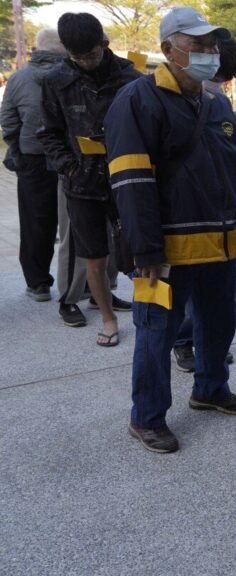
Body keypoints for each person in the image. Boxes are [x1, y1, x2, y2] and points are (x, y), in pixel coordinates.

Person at [105, 6, 236, 453]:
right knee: (156, 336)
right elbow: (131, 182)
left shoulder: (217, 101)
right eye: (197, 46)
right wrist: (145, 250)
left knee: (217, 325)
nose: (208, 54)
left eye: (212, 46)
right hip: (165, 253)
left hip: (220, 245)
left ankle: (210, 389)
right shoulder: (137, 101)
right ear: (168, 49)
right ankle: (147, 417)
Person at [38, 14, 141, 346]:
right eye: (76, 56)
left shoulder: (130, 77)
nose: (84, 62)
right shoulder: (56, 80)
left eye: (90, 54)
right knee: (93, 255)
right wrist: (68, 166)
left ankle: (152, 313)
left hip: (127, 178)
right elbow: (49, 133)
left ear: (104, 44)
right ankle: (108, 318)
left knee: (140, 250)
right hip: (81, 182)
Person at [174, 31, 236, 372]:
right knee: (183, 297)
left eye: (224, 80)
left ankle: (209, 358)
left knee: (217, 303)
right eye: (215, 78)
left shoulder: (222, 104)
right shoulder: (165, 100)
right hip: (182, 221)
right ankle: (184, 342)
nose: (217, 85)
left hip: (221, 224)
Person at [2, 29, 64, 303]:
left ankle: (38, 284)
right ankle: (82, 283)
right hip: (70, 157)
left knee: (35, 222)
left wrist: (18, 148)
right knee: (75, 222)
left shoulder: (18, 78)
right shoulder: (72, 76)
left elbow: (8, 119)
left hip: (32, 158)